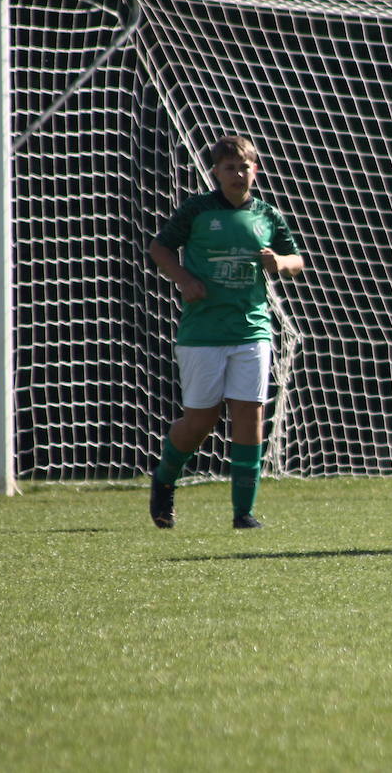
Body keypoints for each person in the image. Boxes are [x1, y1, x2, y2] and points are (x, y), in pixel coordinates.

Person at [147, 135, 305, 529]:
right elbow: (160, 248)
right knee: (200, 422)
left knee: (250, 416)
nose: (238, 173)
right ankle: (165, 480)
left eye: (244, 166)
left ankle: (243, 513)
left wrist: (280, 263)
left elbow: (297, 259)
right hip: (202, 332)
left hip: (251, 329)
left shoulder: (267, 215)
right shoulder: (197, 211)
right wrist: (184, 279)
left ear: (256, 169)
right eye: (229, 168)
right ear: (216, 173)